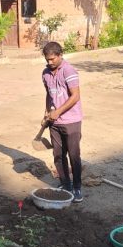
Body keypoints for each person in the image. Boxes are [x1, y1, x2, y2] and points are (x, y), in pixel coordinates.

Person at [41, 41, 84, 202]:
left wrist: (57, 112)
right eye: (47, 59)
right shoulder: (45, 73)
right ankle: (66, 185)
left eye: (52, 59)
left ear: (60, 55)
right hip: (54, 123)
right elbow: (49, 94)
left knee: (74, 155)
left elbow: (75, 96)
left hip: (71, 121)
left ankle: (77, 188)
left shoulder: (68, 70)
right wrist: (47, 112)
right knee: (58, 155)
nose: (49, 62)